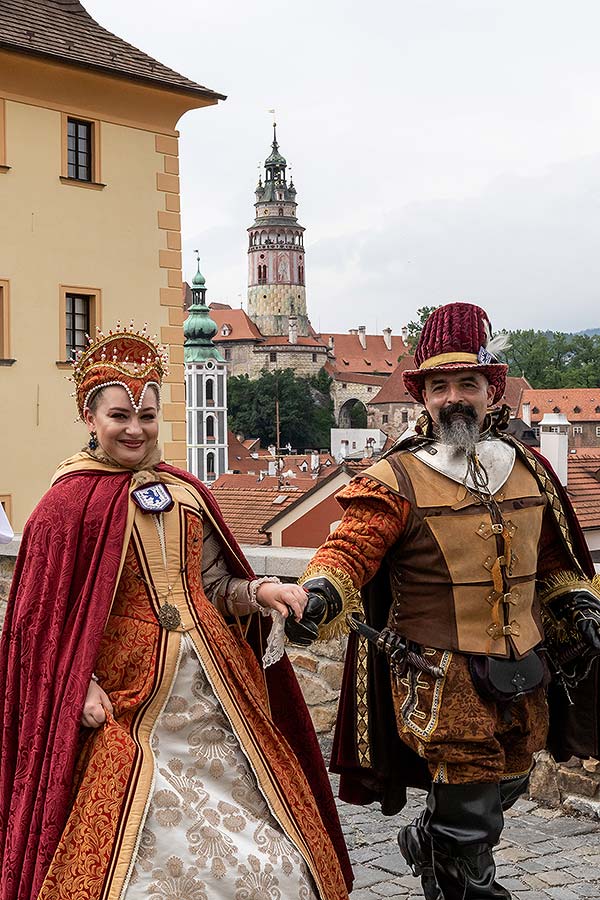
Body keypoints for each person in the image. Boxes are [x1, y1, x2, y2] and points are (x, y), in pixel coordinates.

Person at [0, 325, 352, 900]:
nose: (134, 429)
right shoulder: (65, 505)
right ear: (90, 419)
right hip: (127, 697)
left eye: (145, 414)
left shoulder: (186, 493)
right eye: (119, 416)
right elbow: (41, 618)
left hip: (216, 685)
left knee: (268, 835)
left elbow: (214, 584)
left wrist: (260, 592)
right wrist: (78, 684)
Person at [285, 302, 600, 900]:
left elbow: (559, 561)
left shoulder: (531, 468)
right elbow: (348, 552)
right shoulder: (395, 477)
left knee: (508, 777)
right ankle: (468, 888)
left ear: (491, 389)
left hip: (525, 665)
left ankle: (429, 840)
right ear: (423, 396)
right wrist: (322, 592)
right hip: (439, 671)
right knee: (471, 799)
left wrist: (579, 606)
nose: (453, 397)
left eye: (466, 383)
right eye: (439, 386)